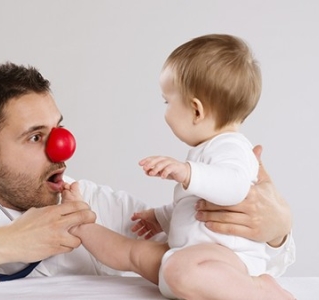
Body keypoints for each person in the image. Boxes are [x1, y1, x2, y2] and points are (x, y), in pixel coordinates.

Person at [0, 61, 294, 293]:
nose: (63, 147)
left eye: (58, 127)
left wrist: (275, 235)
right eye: (36, 137)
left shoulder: (102, 208)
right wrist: (7, 243)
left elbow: (214, 267)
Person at [64, 34, 295, 299]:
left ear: (196, 111)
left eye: (167, 101)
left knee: (178, 270)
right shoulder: (207, 151)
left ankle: (259, 290)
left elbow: (235, 188)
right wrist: (161, 217)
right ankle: (79, 223)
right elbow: (196, 205)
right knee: (133, 253)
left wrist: (187, 172)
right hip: (192, 252)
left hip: (227, 260)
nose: (165, 110)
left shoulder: (232, 147)